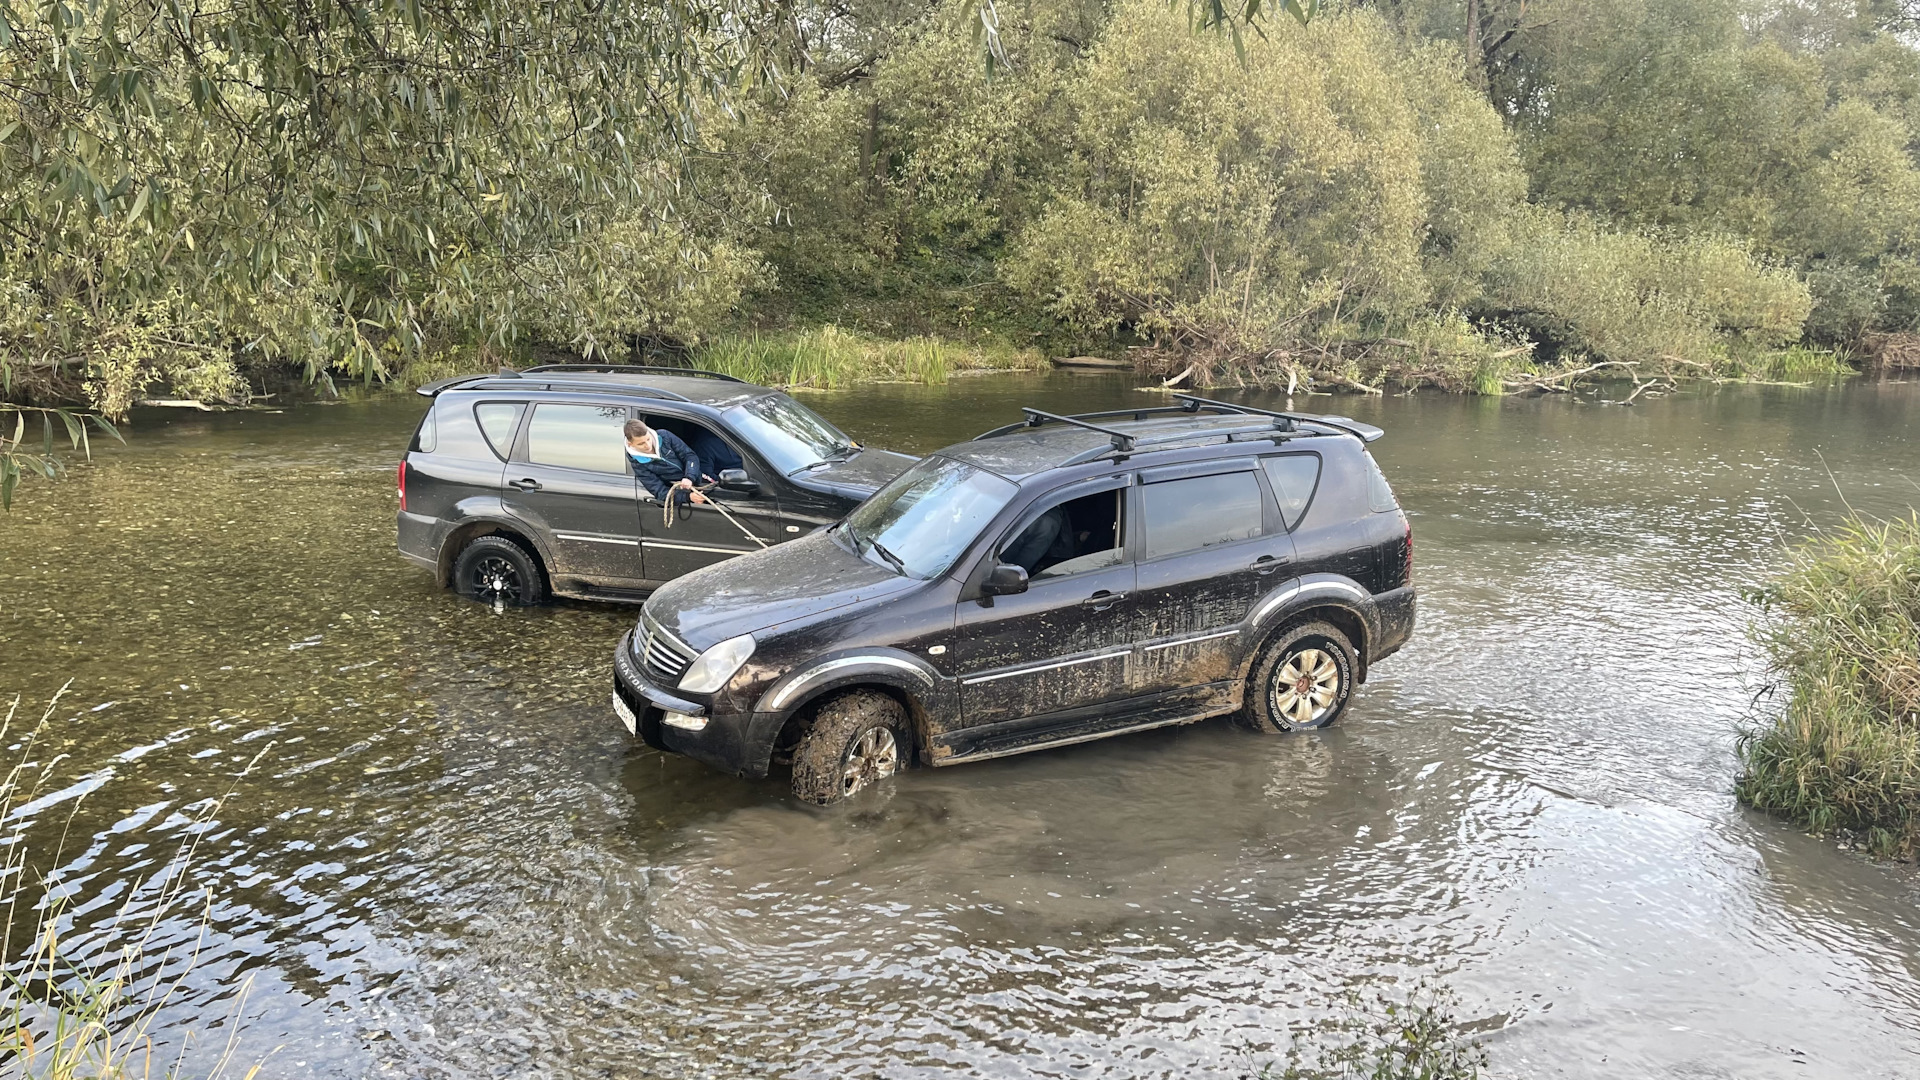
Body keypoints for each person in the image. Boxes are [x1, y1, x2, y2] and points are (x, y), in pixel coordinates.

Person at [625, 418, 709, 507]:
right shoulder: (637, 463)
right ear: (630, 444)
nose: (648, 445)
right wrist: (688, 497)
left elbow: (689, 456)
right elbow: (659, 491)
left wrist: (690, 476)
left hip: (699, 477)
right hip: (681, 494)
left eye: (648, 439)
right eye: (641, 444)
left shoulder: (664, 436)